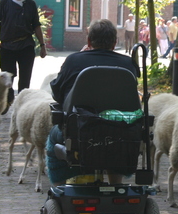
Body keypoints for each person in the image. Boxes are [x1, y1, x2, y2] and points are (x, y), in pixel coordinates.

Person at [46, 19, 139, 185]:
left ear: (88, 41)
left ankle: (59, 187)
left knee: (53, 140)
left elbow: (57, 93)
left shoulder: (74, 60)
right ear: (115, 42)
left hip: (80, 131)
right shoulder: (128, 64)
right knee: (115, 136)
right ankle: (115, 185)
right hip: (121, 133)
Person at [0, 0, 46, 112]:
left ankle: (22, 106)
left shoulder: (30, 4)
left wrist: (42, 46)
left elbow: (36, 25)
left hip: (26, 45)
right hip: (7, 46)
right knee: (7, 76)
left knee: (25, 78)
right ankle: (7, 101)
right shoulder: (4, 2)